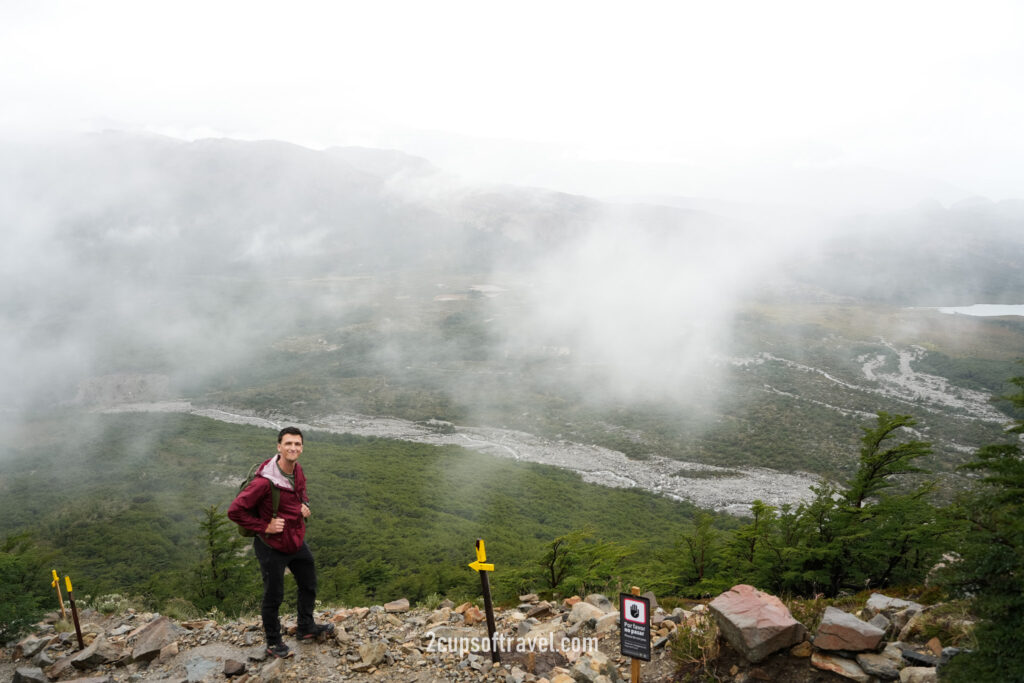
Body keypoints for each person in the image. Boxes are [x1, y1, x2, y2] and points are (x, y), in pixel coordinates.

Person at [228, 426, 334, 658]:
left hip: (295, 541)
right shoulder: (264, 482)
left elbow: (302, 493)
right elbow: (235, 511)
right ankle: (273, 642)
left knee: (309, 584)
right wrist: (264, 527)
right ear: (279, 447)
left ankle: (306, 627)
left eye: (297, 444)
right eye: (288, 444)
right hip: (271, 546)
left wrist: (306, 506)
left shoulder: (298, 471)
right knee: (274, 595)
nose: (293, 448)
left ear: (302, 448)